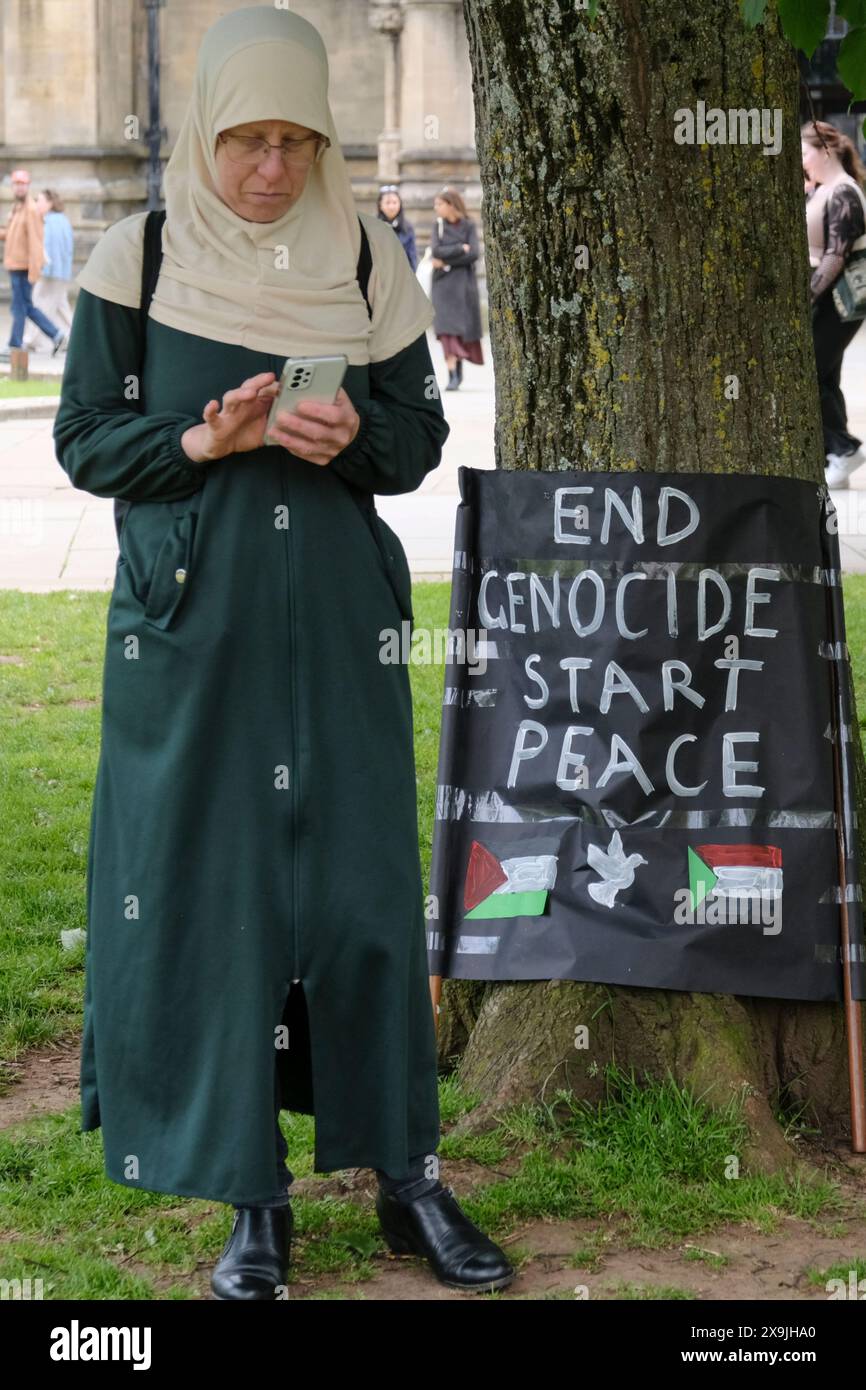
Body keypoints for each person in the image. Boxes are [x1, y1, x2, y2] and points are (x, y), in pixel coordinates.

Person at [53, 5, 513, 1301]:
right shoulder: (133, 260)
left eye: (294, 141)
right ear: (207, 133)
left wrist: (341, 438)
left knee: (365, 889)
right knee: (221, 890)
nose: (269, 167)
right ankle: (251, 1196)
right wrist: (205, 444)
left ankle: (405, 1175)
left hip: (330, 609)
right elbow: (86, 439)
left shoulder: (364, 256)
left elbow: (416, 437)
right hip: (192, 619)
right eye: (247, 140)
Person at [801, 120, 866, 489]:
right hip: (828, 301)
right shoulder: (825, 189)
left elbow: (836, 255)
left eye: (805, 152)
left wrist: (807, 296)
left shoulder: (845, 192)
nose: (801, 159)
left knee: (811, 372)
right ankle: (835, 455)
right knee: (825, 375)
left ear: (825, 150)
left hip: (838, 302)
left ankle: (843, 449)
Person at [0, 168, 67, 361]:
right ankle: (57, 335)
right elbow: (11, 235)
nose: (19, 188)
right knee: (27, 307)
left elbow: (36, 242)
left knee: (19, 307)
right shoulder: (17, 208)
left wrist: (34, 270)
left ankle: (14, 345)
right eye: (16, 184)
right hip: (14, 266)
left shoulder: (30, 209)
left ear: (27, 186)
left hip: (23, 268)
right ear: (13, 186)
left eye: (22, 184)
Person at [430, 187, 483, 391]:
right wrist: (460, 248)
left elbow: (474, 254)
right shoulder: (438, 225)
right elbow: (435, 250)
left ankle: (458, 372)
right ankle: (452, 374)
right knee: (445, 331)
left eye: (439, 204)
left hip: (463, 285)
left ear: (450, 205)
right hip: (442, 285)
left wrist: (447, 258)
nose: (436, 208)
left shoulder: (468, 225)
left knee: (458, 330)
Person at [23, 189, 74, 353]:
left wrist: (42, 270)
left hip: (50, 272)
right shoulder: (63, 221)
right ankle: (76, 339)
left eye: (40, 201)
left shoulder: (49, 222)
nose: (37, 204)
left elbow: (49, 250)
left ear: (50, 203)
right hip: (61, 272)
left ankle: (30, 340)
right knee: (61, 307)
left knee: (38, 303)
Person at [377, 185, 418, 269]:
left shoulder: (407, 227)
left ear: (400, 204)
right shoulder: (372, 226)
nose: (391, 207)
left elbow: (412, 256)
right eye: (387, 203)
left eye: (395, 202)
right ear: (380, 205)